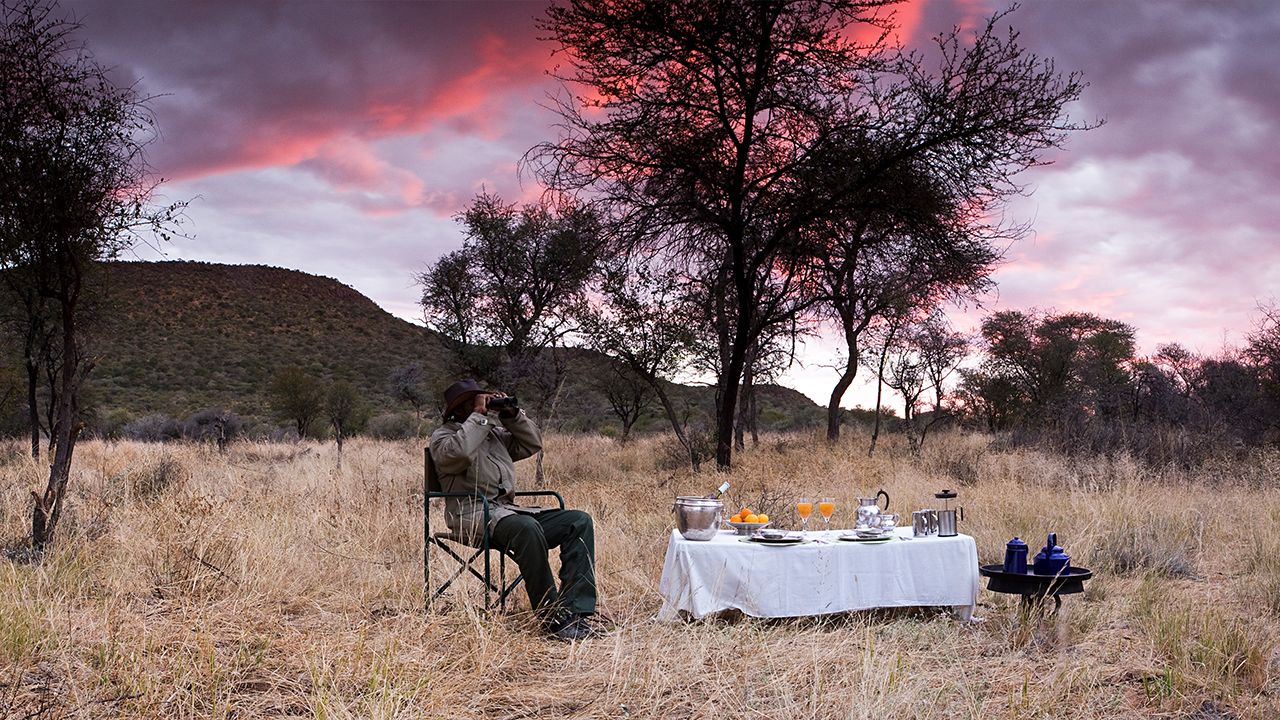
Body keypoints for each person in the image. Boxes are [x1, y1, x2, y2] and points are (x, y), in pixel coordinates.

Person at [428, 379, 601, 641]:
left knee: (578, 521)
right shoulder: (444, 436)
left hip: (506, 512)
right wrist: (478, 416)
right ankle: (552, 617)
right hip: (470, 515)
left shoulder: (493, 434)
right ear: (460, 408)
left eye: (482, 399)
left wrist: (512, 415)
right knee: (526, 528)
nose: (482, 403)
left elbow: (532, 444)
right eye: (473, 401)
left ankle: (576, 611)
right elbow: (460, 454)